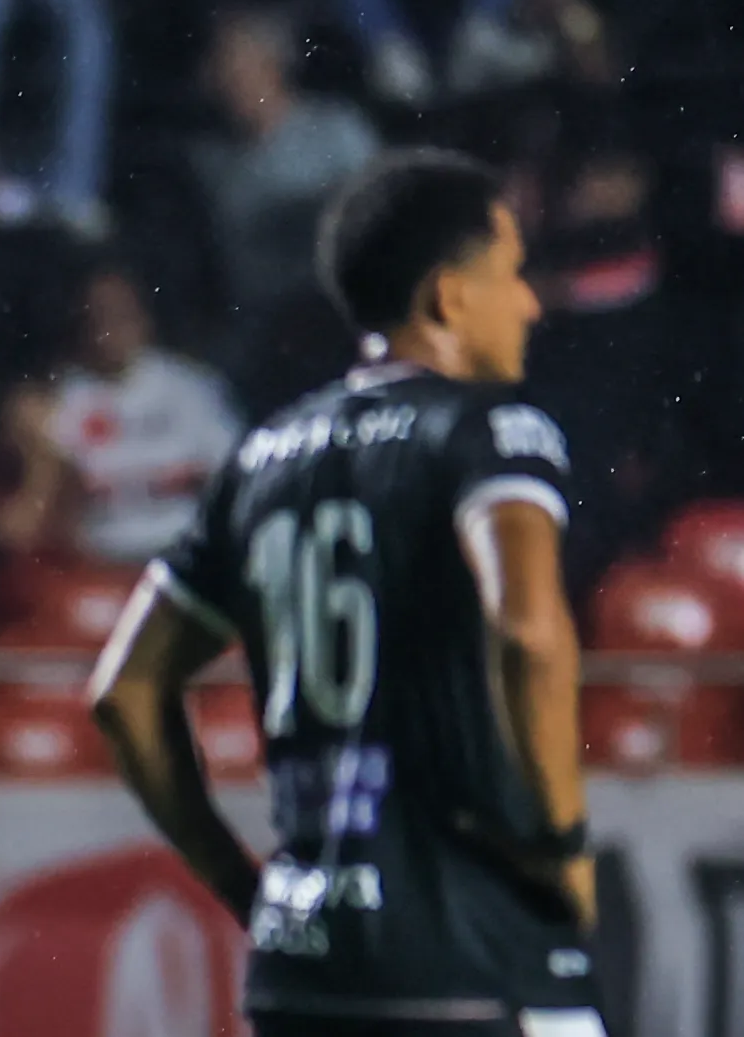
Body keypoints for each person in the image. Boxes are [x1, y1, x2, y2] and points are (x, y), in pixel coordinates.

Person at [87, 150, 606, 1037]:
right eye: (510, 273)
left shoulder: (259, 457)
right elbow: (527, 630)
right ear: (446, 297)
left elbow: (126, 692)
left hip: (302, 970)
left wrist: (241, 883)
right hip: (476, 958)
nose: (528, 301)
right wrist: (558, 846)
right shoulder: (492, 431)